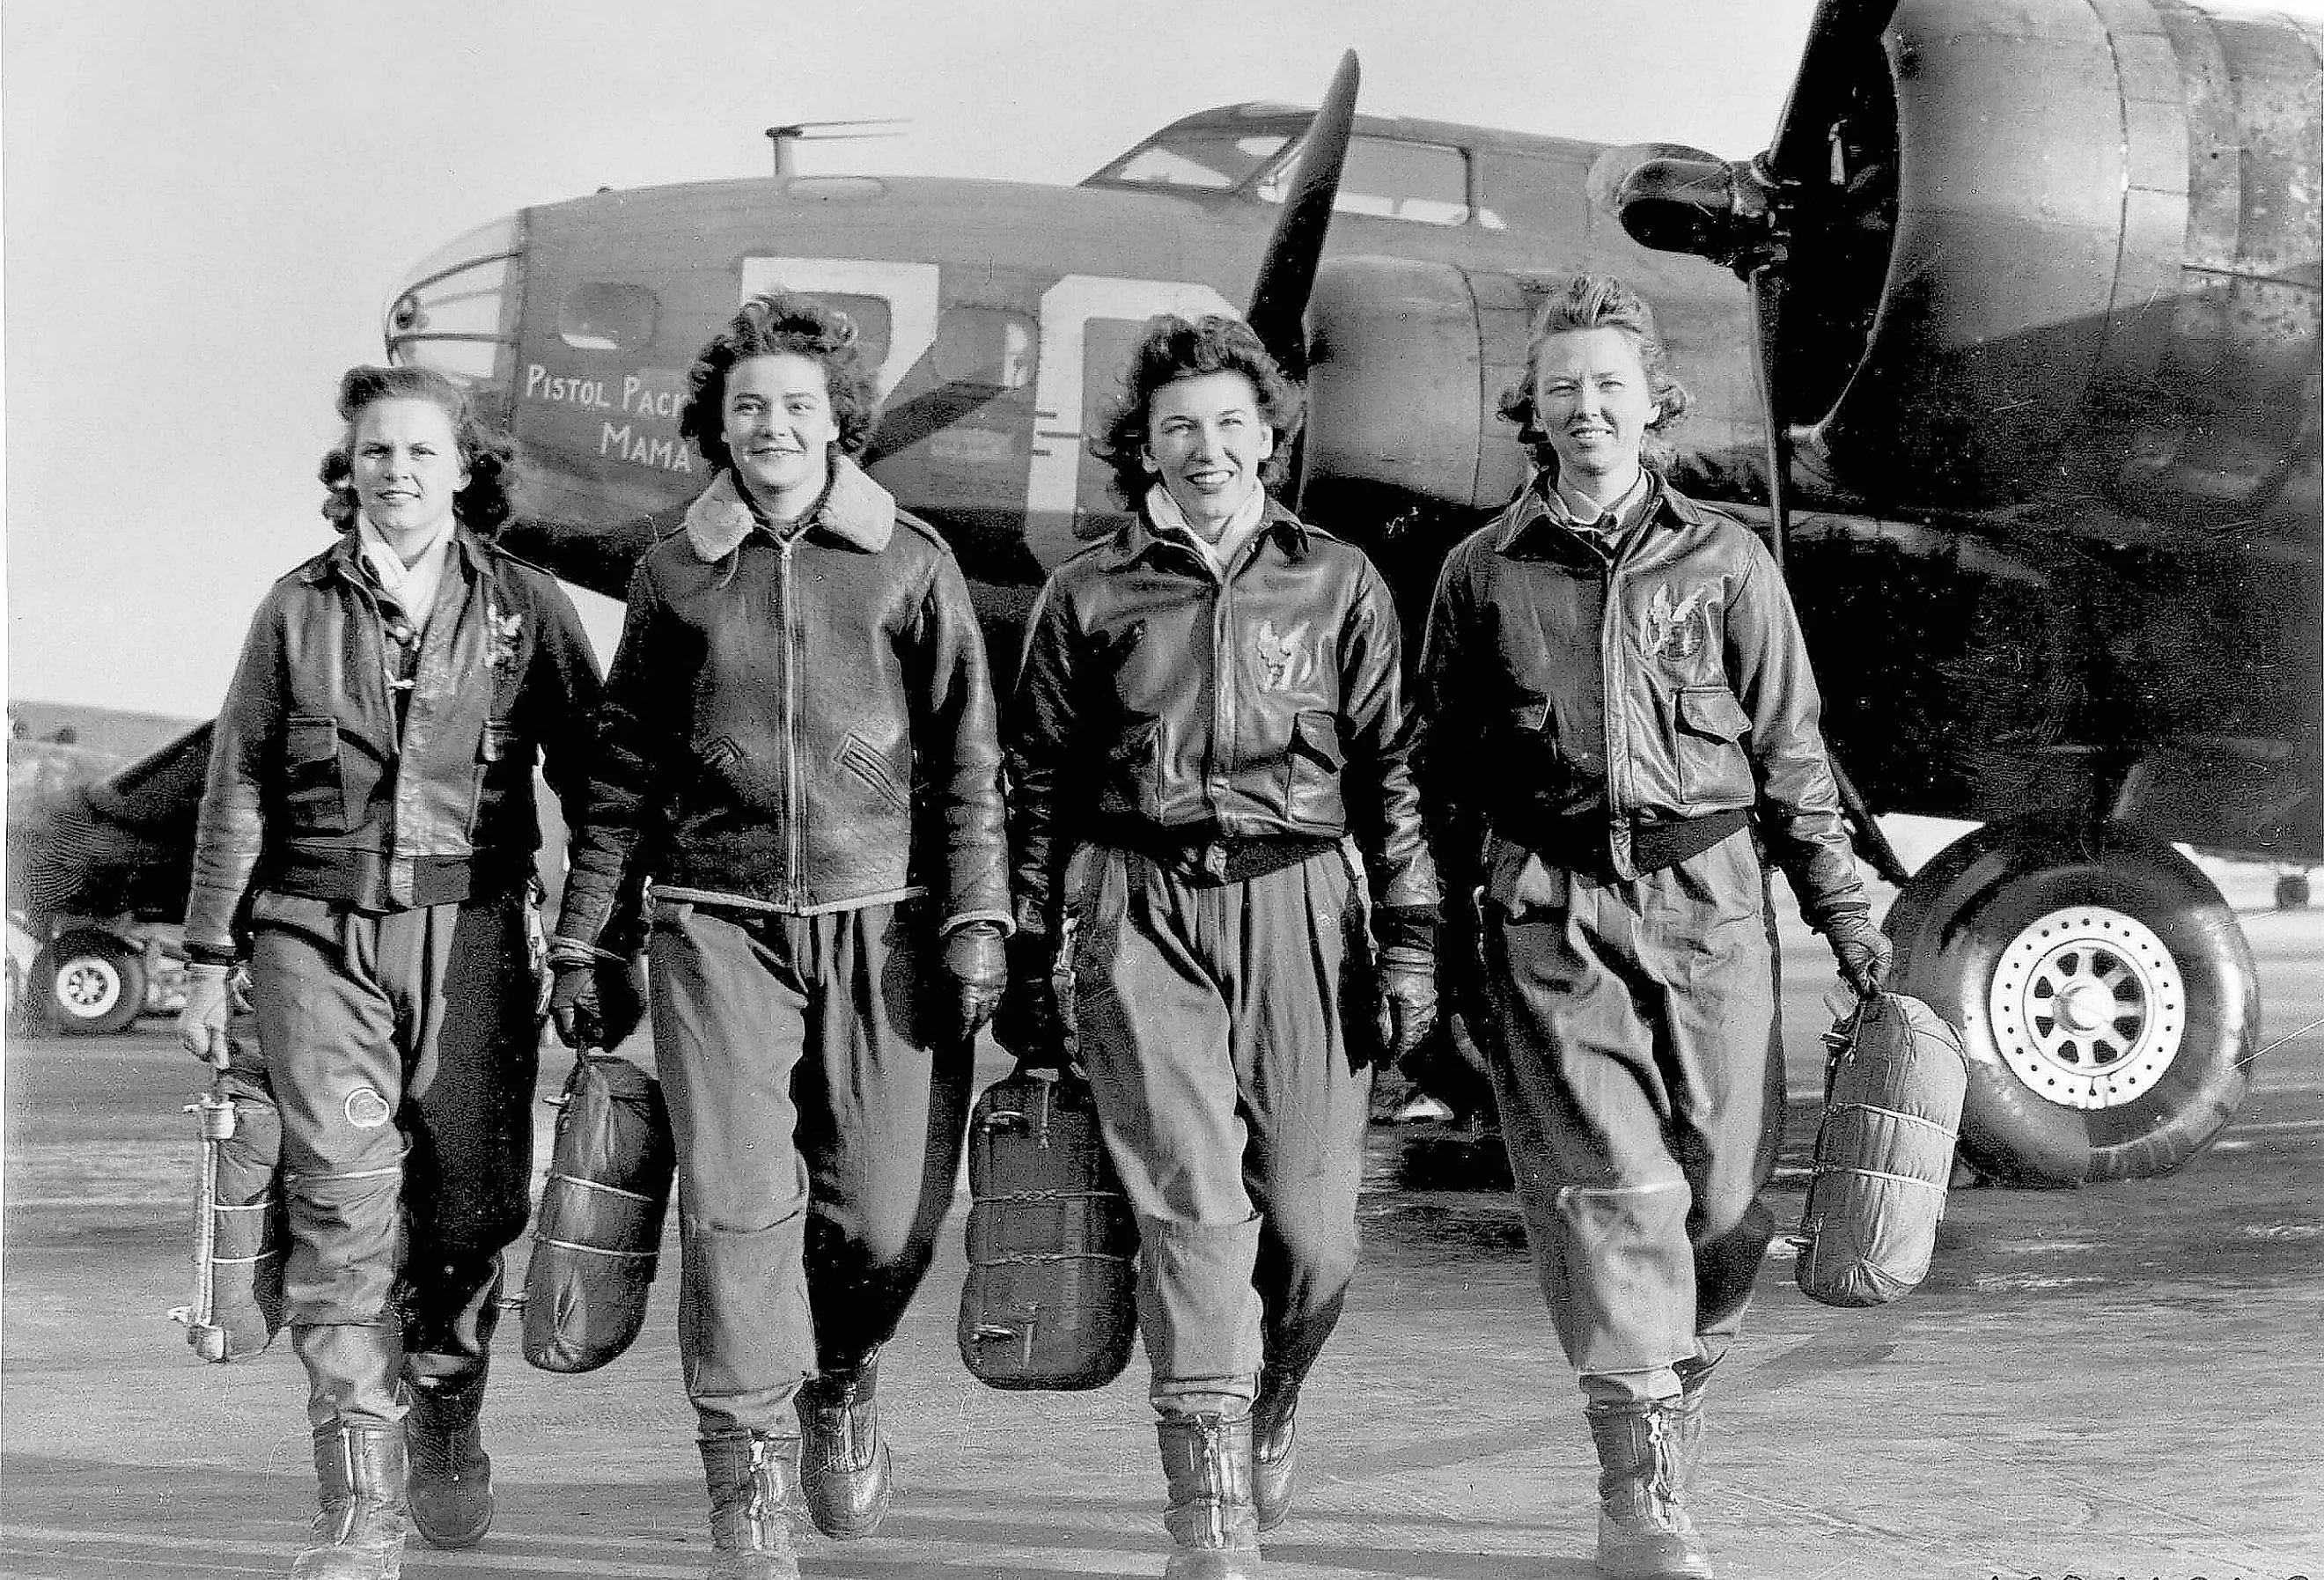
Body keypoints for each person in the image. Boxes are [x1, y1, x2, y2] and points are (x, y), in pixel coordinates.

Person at [1415, 275, 1891, 1580]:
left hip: (1714, 908)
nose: (1586, 409)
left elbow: (1794, 758)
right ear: (1534, 409)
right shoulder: (1480, 575)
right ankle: (1641, 1484)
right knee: (1614, 1193)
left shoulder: (1729, 560)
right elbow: (1435, 775)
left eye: (1609, 385)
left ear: (1652, 404)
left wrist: (1847, 920)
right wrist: (1433, 950)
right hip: (1553, 913)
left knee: (1728, 1209)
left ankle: (1669, 1384)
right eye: (1561, 387)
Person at [546, 291, 1011, 1580]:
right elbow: (622, 769)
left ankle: (843, 1370)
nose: (773, 425)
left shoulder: (912, 561)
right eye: (749, 404)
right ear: (720, 423)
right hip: (717, 923)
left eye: (798, 404)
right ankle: (744, 1480)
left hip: (889, 923)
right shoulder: (671, 573)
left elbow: (971, 758)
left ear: (838, 421)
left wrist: (980, 916)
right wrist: (587, 936)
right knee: (739, 1209)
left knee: (884, 1220)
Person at [1004, 313, 1438, 1578]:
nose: (1205, 447)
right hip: (1138, 906)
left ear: (1268, 433)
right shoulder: (1087, 591)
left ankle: (1269, 1397)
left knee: (1313, 1233)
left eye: (1229, 422)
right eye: (1178, 425)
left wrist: (1408, 942)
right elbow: (1037, 778)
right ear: (1141, 442)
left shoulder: (1338, 579)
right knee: (1191, 1208)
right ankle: (1207, 1508)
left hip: (1302, 902)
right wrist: (1040, 951)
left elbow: (1393, 770)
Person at [177, 365, 607, 1579]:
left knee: (470, 1209)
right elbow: (237, 787)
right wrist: (209, 956)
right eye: (377, 452)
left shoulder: (525, 607)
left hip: (473, 936)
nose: (399, 471)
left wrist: (588, 942)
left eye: (422, 452)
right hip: (314, 935)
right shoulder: (293, 608)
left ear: (464, 467)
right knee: (345, 1207)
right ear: (349, 469)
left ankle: (450, 1403)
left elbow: (595, 787)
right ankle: (358, 1500)